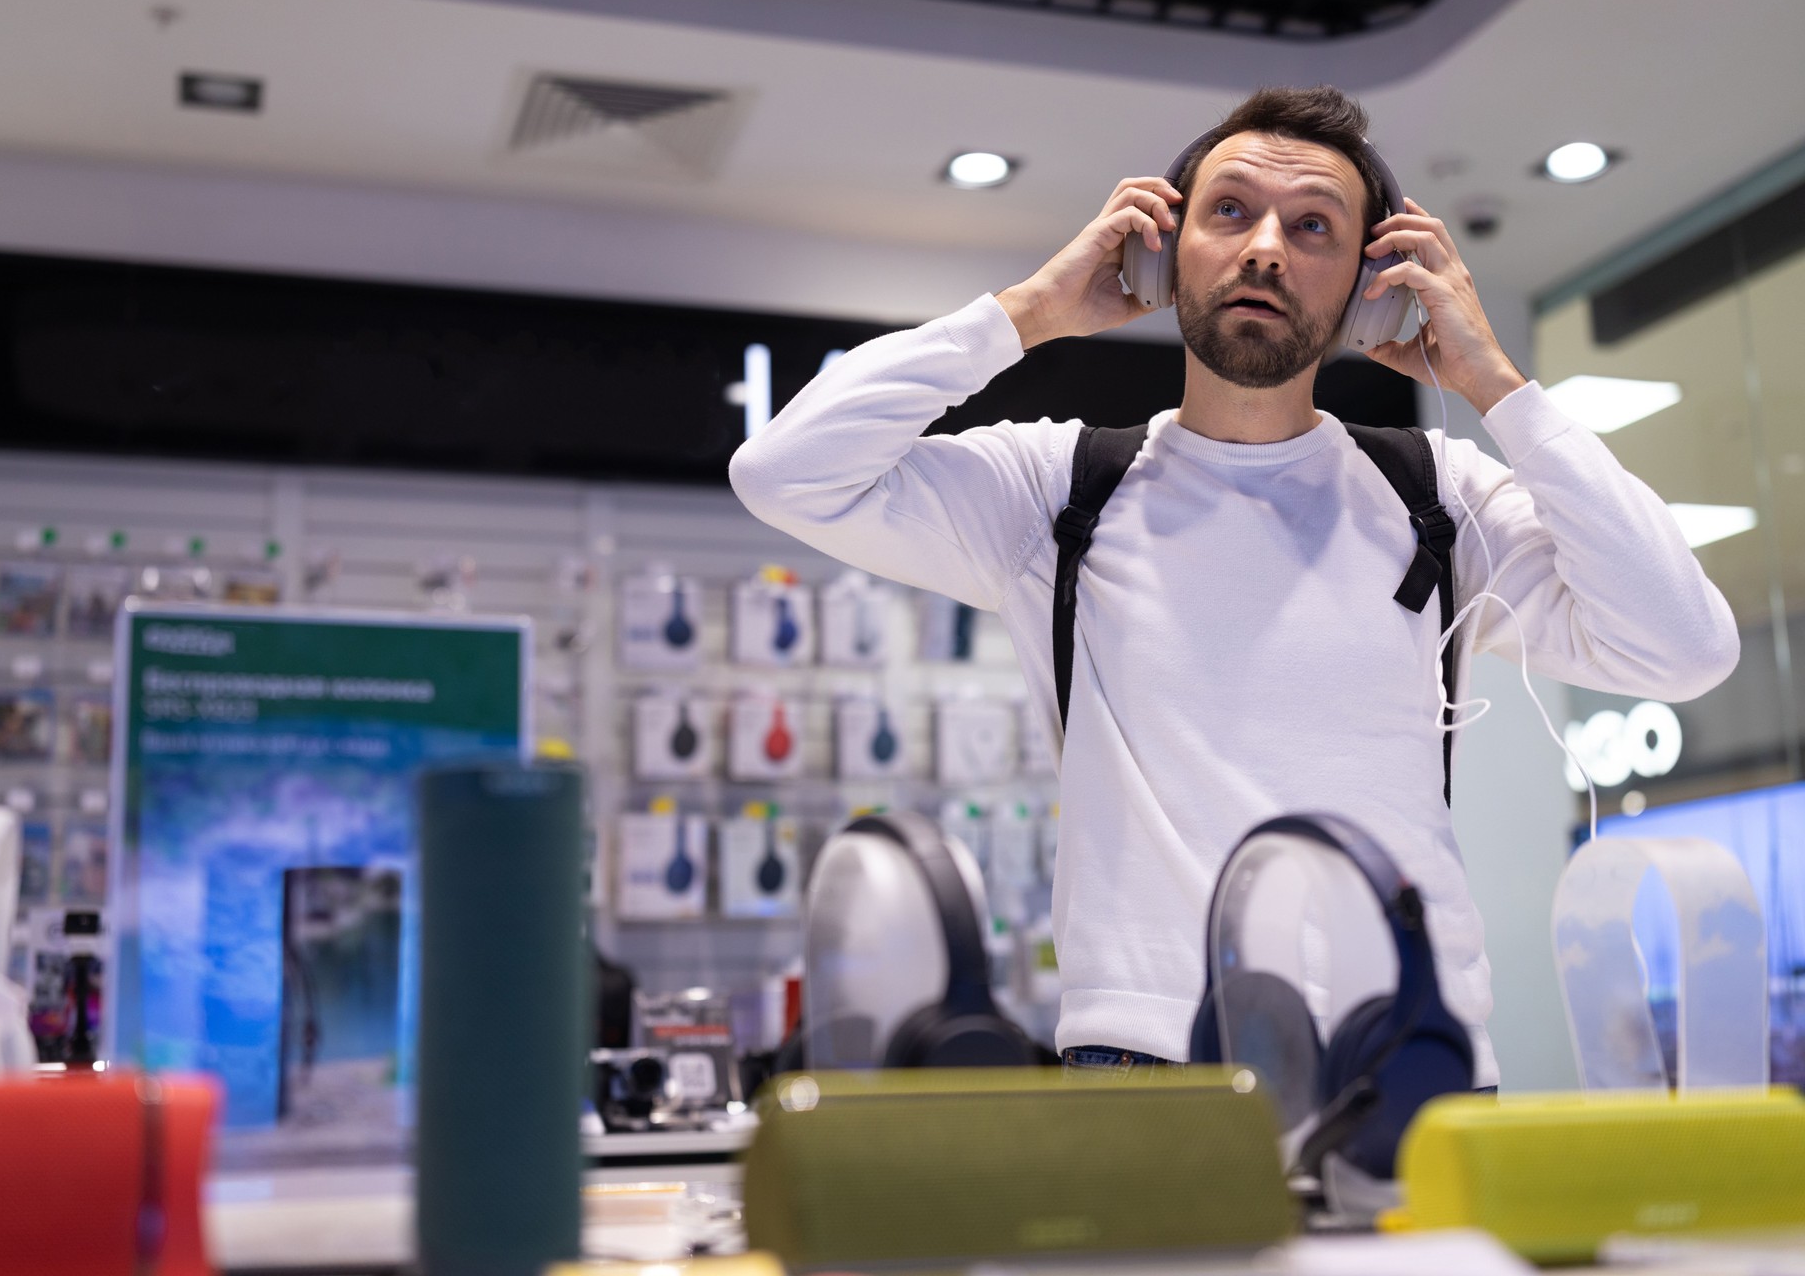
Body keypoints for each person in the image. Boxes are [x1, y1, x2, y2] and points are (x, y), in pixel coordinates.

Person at [726, 86, 1738, 1089]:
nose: (1265, 249)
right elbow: (782, 470)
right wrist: (1028, 313)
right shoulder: (1059, 488)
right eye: (1229, 211)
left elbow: (1683, 645)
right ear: (1164, 253)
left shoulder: (1439, 492)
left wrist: (1496, 387)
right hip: (1145, 1055)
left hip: (1410, 1049)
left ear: (1367, 286)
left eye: (1312, 227)